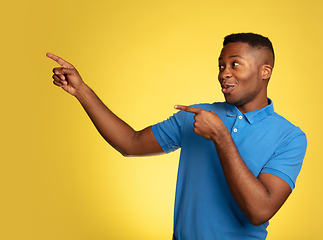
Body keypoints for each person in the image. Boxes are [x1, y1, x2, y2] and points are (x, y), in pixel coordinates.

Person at [47, 33, 307, 240]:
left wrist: (220, 136)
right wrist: (81, 91)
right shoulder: (195, 116)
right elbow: (130, 143)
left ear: (265, 72)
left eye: (235, 64)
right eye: (221, 65)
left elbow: (259, 211)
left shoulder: (290, 137)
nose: (224, 73)